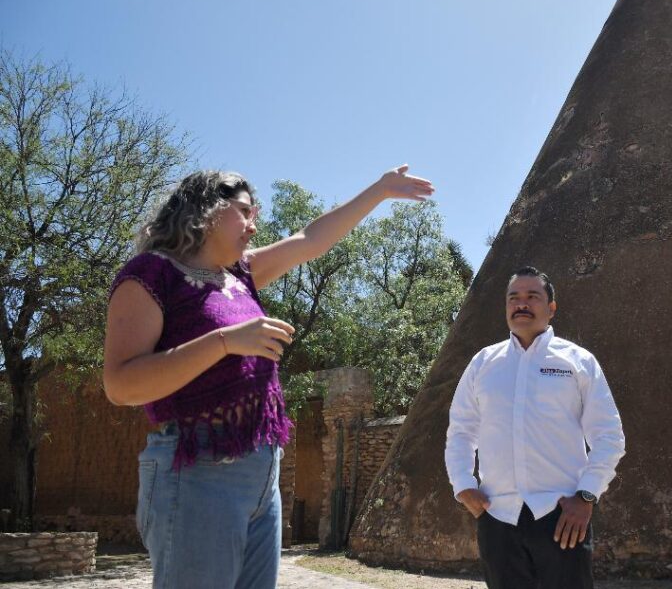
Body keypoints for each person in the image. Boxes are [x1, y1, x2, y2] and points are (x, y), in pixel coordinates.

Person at [103, 165, 433, 589]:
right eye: (244, 212)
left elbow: (310, 240)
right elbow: (121, 384)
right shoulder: (152, 273)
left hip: (262, 471)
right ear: (205, 210)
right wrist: (223, 341)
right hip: (197, 469)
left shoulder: (240, 275)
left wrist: (379, 191)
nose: (253, 225)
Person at [445, 266, 626, 589]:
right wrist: (462, 483)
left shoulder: (578, 362)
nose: (521, 304)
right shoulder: (483, 364)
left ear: (551, 308)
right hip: (498, 517)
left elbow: (609, 436)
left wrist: (586, 496)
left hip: (562, 518)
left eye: (532, 296)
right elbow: (461, 430)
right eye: (513, 298)